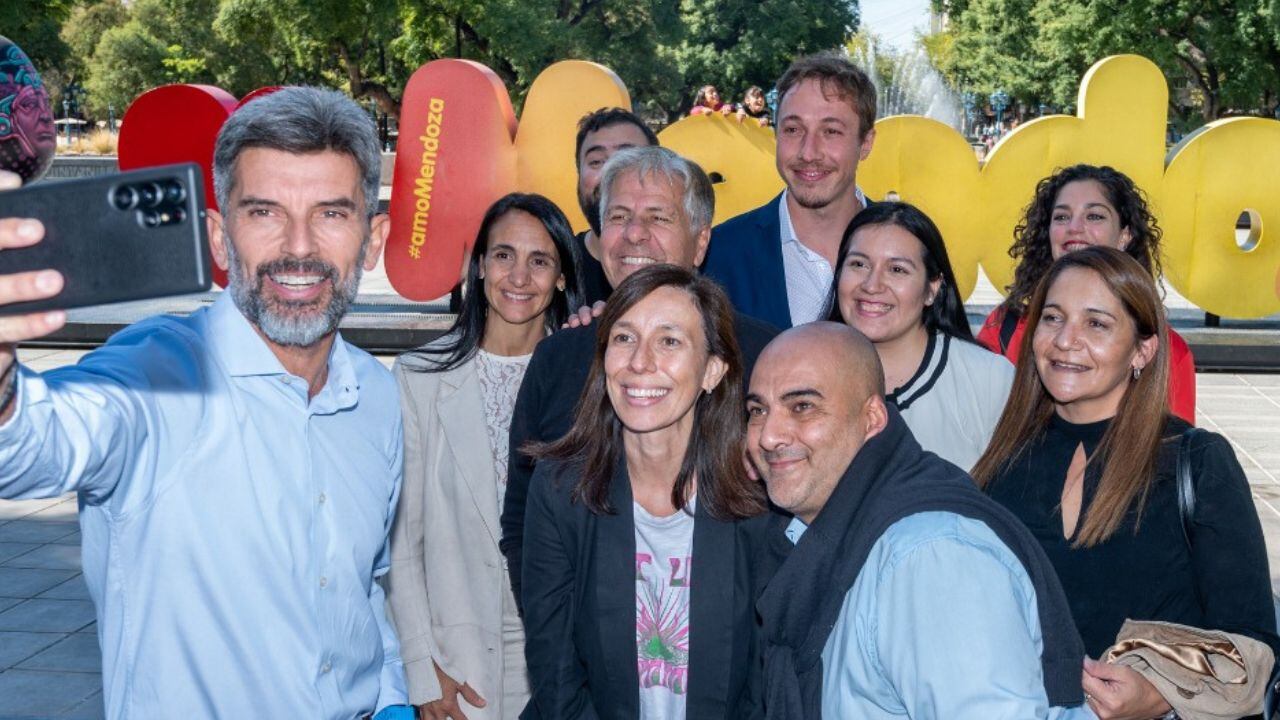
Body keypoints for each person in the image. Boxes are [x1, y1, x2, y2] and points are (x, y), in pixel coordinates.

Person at [0, 88, 414, 719]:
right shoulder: (155, 375)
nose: (298, 247)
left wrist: (390, 698)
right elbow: (34, 444)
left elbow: (359, 588)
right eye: (264, 213)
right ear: (220, 239)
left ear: (372, 238)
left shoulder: (376, 395)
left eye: (331, 214)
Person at [973, 246, 1278, 719]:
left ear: (1143, 350)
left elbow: (1253, 642)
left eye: (1096, 324)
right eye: (1053, 318)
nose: (1065, 341)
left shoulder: (1196, 463)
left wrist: (1159, 695)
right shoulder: (1001, 462)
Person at [748, 322, 1089, 719]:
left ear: (872, 418)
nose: (768, 435)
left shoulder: (930, 557)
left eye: (802, 406)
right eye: (757, 410)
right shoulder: (814, 532)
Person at [500, 146, 778, 612]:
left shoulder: (764, 357)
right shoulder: (558, 357)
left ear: (701, 242)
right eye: (619, 216)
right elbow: (522, 519)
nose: (634, 235)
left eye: (658, 218)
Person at [522, 265, 776, 718]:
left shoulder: (757, 498)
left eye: (669, 341)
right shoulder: (561, 490)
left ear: (712, 371)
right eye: (623, 338)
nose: (640, 362)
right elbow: (555, 671)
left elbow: (765, 674)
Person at [387, 193, 583, 720]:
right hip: (456, 664)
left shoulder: (589, 380)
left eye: (540, 261)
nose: (519, 276)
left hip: (562, 663)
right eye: (503, 255)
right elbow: (402, 541)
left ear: (562, 277)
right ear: (478, 267)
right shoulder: (418, 378)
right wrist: (421, 669)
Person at [978, 164, 1196, 423]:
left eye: (1094, 216)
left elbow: (1172, 446)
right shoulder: (1004, 328)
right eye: (1061, 217)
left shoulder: (1167, 351)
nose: (1074, 227)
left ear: (1124, 235)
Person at [825, 202, 1012, 470]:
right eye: (859, 264)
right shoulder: (804, 372)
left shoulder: (990, 380)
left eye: (897, 269)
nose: (872, 285)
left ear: (932, 288)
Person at [703, 52, 877, 329]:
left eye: (831, 131)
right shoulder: (719, 255)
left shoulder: (909, 252)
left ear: (865, 143)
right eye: (793, 129)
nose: (809, 153)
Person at [573, 108, 660, 305]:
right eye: (596, 162)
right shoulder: (553, 270)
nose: (609, 173)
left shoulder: (683, 266)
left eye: (627, 159)